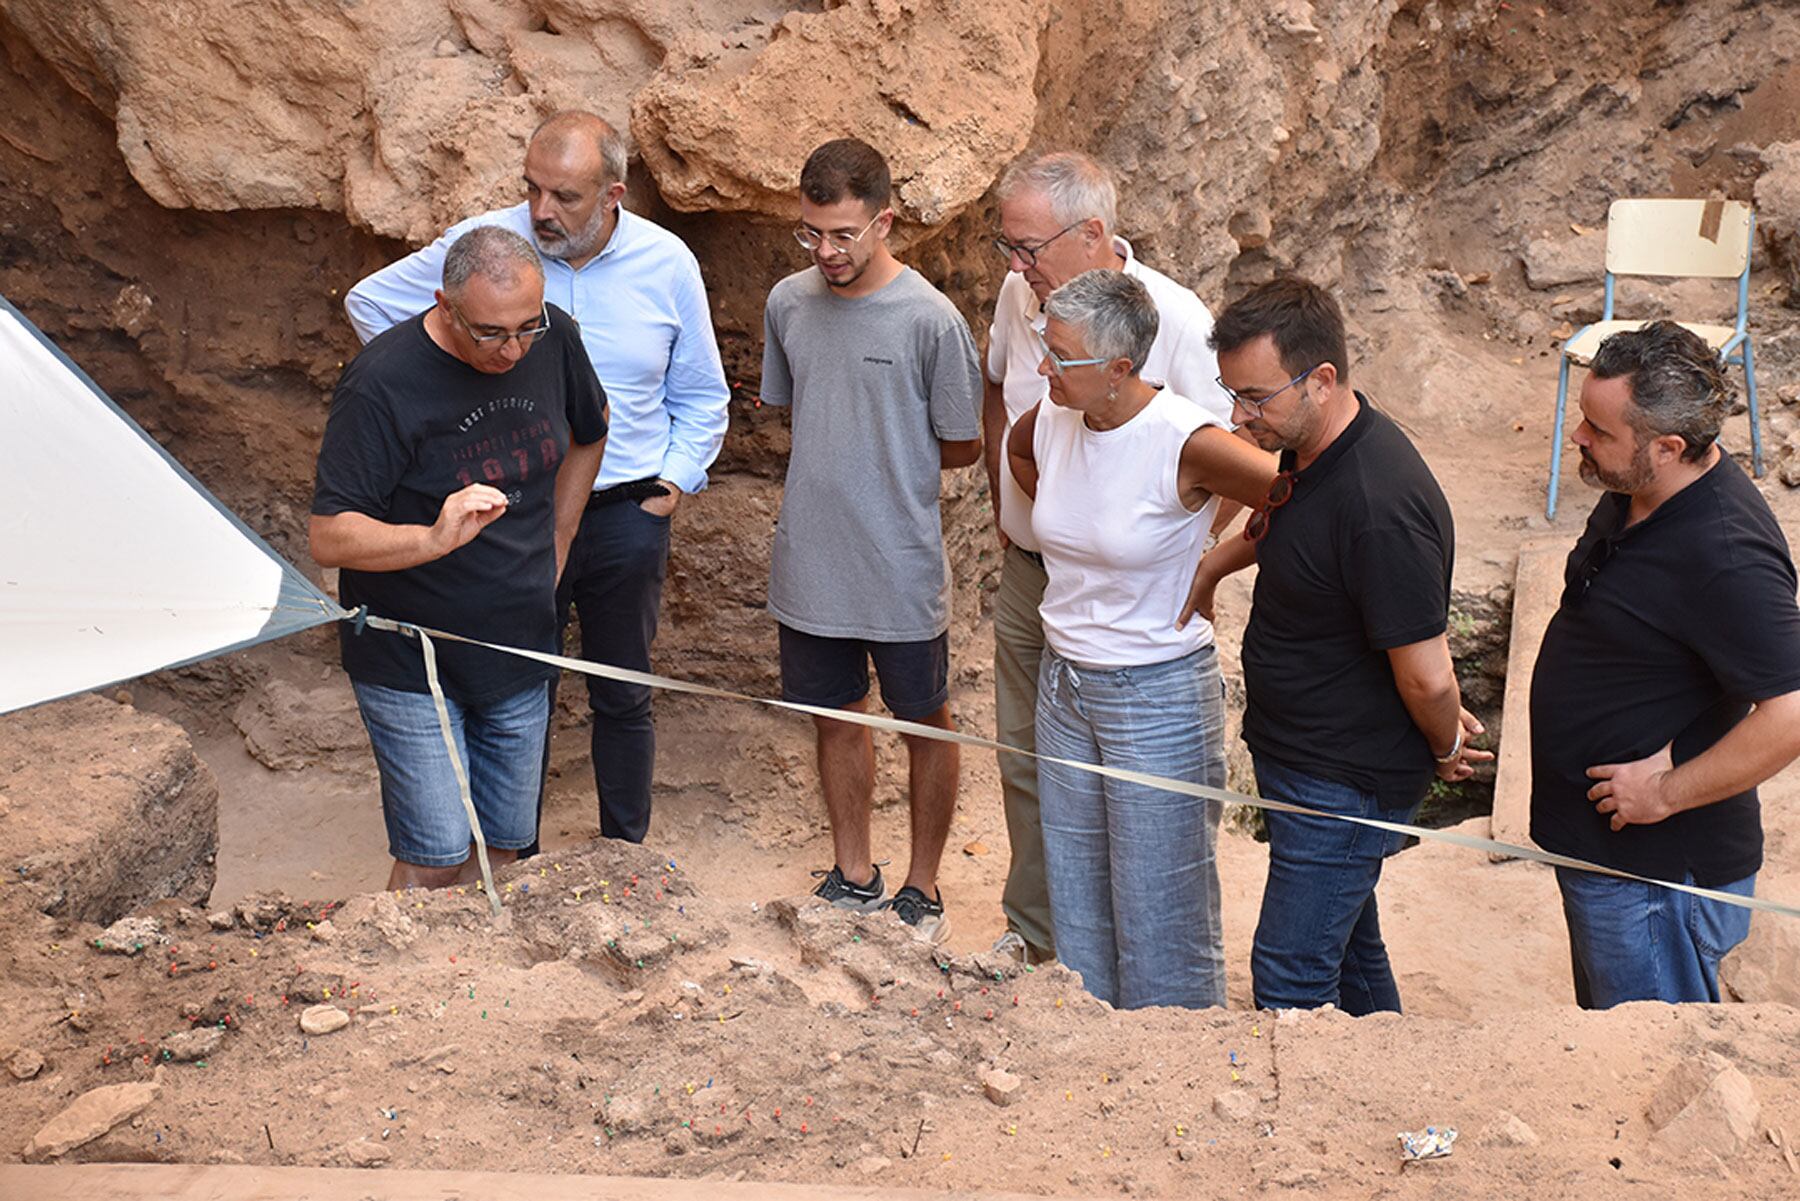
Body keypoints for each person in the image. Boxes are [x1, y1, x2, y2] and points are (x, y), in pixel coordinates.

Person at [344, 110, 729, 847]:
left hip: (626, 511)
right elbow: (372, 304)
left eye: (565, 196)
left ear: (613, 195)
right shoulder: (487, 248)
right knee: (518, 686)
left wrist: (673, 486)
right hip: (514, 512)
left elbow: (703, 393)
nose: (541, 210)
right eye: (532, 189)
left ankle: (625, 859)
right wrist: (450, 399)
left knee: (623, 690)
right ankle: (517, 861)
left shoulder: (667, 262)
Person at [1183, 276, 1490, 1014]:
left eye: (1255, 397)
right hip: (1306, 757)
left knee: (1290, 972)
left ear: (1321, 379)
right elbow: (1282, 516)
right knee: (1350, 947)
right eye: (1231, 393)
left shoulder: (1381, 507)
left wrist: (1446, 745)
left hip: (1344, 778)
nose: (1238, 416)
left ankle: (1311, 1094)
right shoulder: (1309, 445)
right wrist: (1213, 568)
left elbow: (1427, 678)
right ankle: (1386, 1067)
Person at [982, 151, 1237, 965]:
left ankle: (1142, 978)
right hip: (1038, 576)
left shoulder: (1177, 320)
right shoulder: (1019, 296)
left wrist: (1193, 553)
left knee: (1142, 814)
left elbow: (1230, 450)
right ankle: (1040, 937)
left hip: (1135, 611)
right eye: (1007, 247)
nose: (1016, 267)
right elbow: (1005, 399)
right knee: (1032, 765)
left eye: (1029, 248)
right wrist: (1014, 506)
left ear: (1092, 233)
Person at [1004, 270, 1275, 1009]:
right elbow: (1020, 453)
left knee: (1162, 903)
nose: (1044, 367)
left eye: (1062, 356)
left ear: (1120, 368)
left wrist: (1211, 560)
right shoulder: (1053, 415)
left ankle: (1173, 1060)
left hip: (1155, 693)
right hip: (1065, 682)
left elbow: (1294, 495)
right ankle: (1096, 1045)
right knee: (1077, 885)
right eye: (1046, 347)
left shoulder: (1184, 437)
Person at [311, 227, 608, 890]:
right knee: (437, 853)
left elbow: (592, 429)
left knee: (506, 848)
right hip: (411, 655)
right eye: (490, 333)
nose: (513, 350)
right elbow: (329, 535)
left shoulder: (554, 336)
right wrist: (431, 539)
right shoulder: (382, 382)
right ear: (444, 306)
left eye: (525, 328)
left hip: (521, 640)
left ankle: (483, 964)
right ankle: (397, 960)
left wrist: (559, 539)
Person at [1530, 321, 1800, 1008]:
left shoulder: (1727, 555)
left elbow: (1791, 712)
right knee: (1608, 1044)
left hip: (1657, 882)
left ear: (1668, 447)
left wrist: (1666, 792)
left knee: (1645, 1060)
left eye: (1598, 430)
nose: (1577, 437)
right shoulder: (1638, 486)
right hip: (1609, 862)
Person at [760, 137, 983, 942]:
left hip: (899, 561)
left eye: (843, 234)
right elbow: (794, 404)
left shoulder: (931, 319)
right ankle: (853, 872)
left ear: (884, 222)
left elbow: (963, 444)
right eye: (811, 233)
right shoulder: (787, 302)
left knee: (925, 719)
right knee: (834, 715)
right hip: (812, 560)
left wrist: (886, 462)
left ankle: (922, 886)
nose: (825, 251)